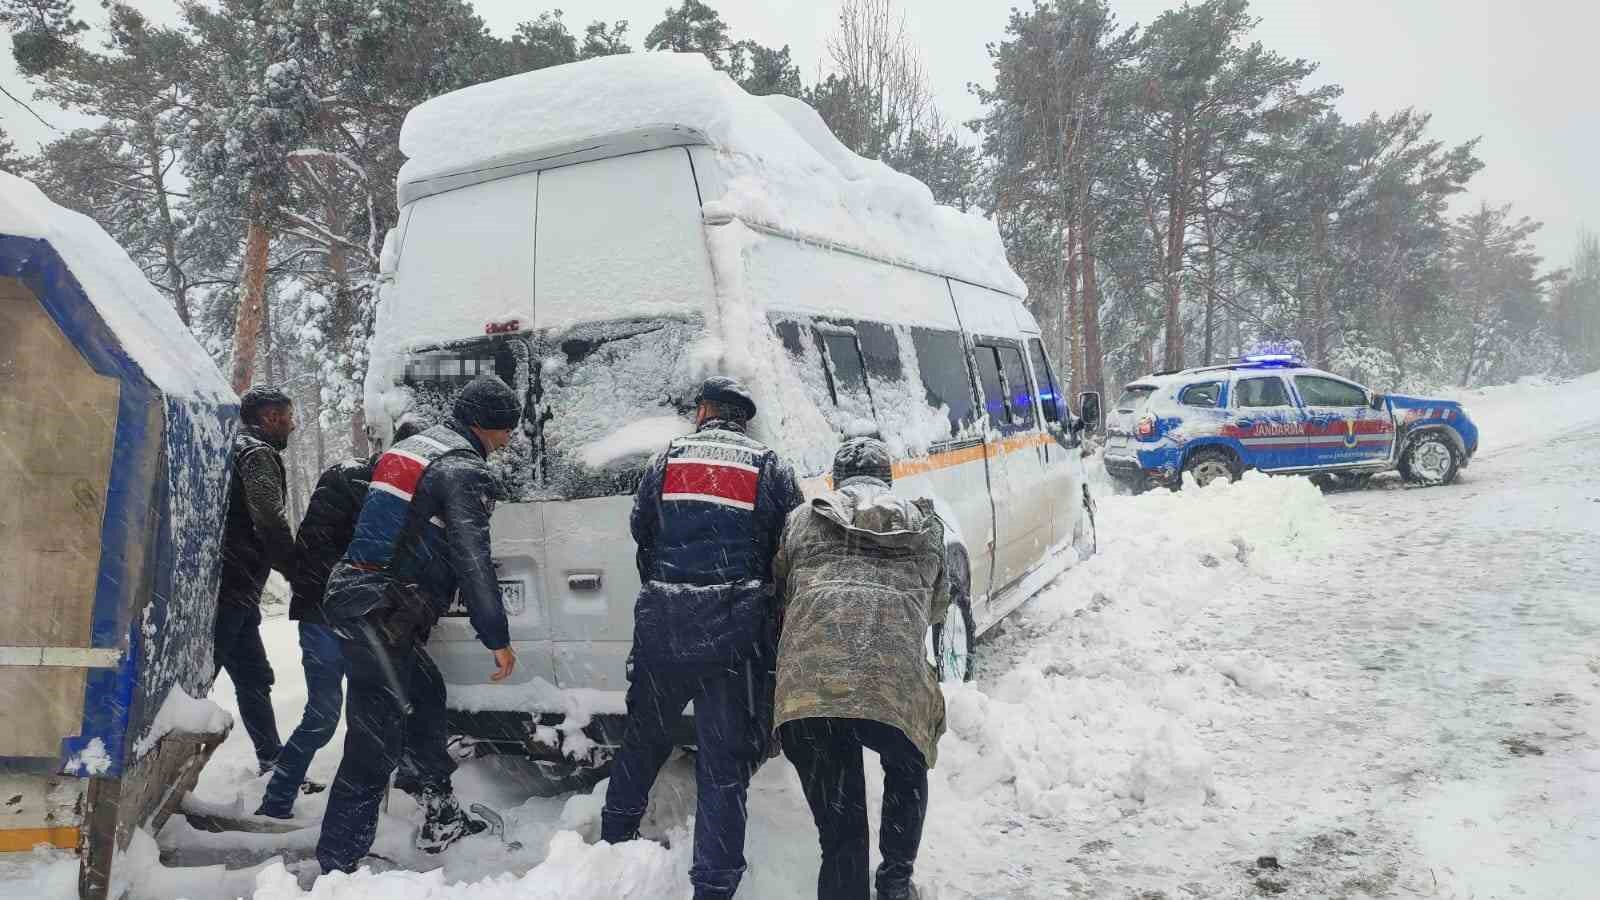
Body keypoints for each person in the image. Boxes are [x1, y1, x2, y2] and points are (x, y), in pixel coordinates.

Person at [601, 376, 805, 900]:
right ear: (742, 418)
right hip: (734, 637)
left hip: (664, 625)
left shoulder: (665, 459)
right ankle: (713, 885)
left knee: (644, 741)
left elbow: (642, 533)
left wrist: (671, 585)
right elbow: (791, 546)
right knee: (723, 764)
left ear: (704, 413)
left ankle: (611, 845)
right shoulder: (768, 466)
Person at [314, 378, 520, 873]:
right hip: (380, 613)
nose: (510, 440)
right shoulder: (463, 469)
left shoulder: (416, 447)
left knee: (425, 698)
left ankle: (440, 814)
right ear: (489, 427)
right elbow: (472, 558)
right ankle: (338, 866)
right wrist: (496, 636)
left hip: (369, 603)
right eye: (508, 430)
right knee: (372, 741)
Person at [772, 437, 950, 900]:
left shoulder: (800, 519)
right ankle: (894, 882)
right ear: (889, 479)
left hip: (811, 689)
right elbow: (936, 606)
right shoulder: (926, 527)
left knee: (842, 831)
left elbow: (782, 592)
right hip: (893, 685)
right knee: (907, 767)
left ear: (835, 481)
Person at [255, 420, 423, 819]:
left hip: (375, 624)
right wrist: (355, 592)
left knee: (379, 713)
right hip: (325, 617)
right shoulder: (346, 480)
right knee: (323, 715)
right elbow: (311, 551)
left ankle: (382, 807)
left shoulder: (416, 495)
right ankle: (276, 802)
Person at [217, 385, 297, 775]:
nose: (292, 426)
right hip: (233, 585)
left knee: (253, 675)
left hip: (233, 586)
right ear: (269, 418)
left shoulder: (229, 445)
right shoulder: (256, 453)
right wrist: (297, 568)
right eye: (288, 417)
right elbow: (268, 517)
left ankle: (272, 760)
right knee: (204, 679)